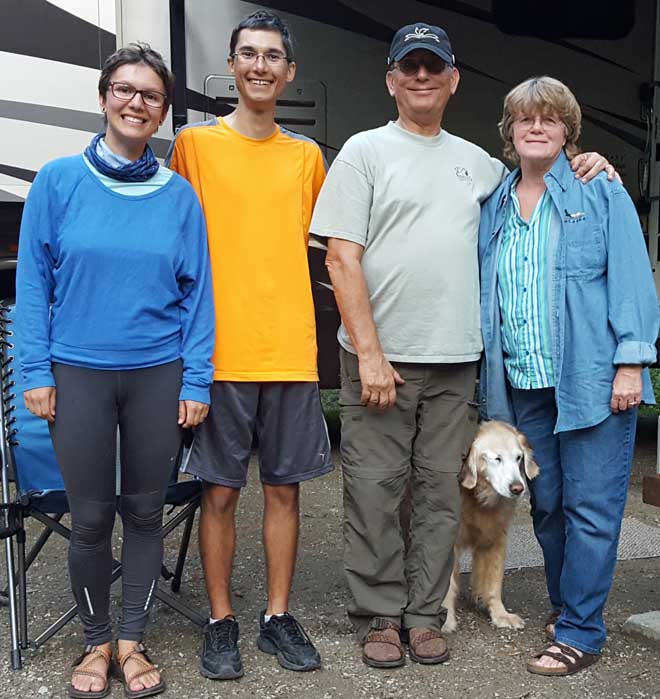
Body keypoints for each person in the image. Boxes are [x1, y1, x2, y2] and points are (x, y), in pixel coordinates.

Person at [310, 23, 615, 669]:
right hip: (381, 360)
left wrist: (591, 162)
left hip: (456, 363)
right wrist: (369, 353)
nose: (421, 77)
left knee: (442, 496)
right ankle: (378, 616)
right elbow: (341, 257)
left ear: (452, 81)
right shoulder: (364, 151)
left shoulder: (482, 165)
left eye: (434, 68)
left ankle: (425, 614)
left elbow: (543, 184)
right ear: (391, 80)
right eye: (409, 68)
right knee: (374, 491)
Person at [16, 43, 214, 699]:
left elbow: (199, 295)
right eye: (125, 90)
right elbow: (34, 286)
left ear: (163, 112)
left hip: (158, 372)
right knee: (93, 516)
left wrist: (196, 380)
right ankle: (95, 642)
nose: (136, 103)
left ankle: (132, 640)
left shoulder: (179, 197)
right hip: (78, 375)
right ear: (104, 98)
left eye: (151, 95)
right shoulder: (57, 180)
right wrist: (34, 372)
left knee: (146, 511)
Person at [166, 10, 332, 680]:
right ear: (231, 66)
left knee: (285, 493)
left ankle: (276, 617)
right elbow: (173, 246)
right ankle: (220, 619)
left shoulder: (307, 157)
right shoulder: (194, 147)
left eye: (273, 57)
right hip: (220, 353)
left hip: (289, 351)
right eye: (248, 54)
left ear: (289, 73)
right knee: (221, 494)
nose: (261, 66)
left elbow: (326, 251)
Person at [479, 76, 660, 676]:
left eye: (551, 120)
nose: (537, 127)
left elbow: (633, 277)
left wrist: (631, 361)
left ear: (567, 133)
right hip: (524, 383)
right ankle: (567, 606)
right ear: (509, 131)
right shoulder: (494, 204)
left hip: (593, 381)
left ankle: (581, 630)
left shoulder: (599, 190)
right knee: (547, 504)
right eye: (526, 119)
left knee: (592, 507)